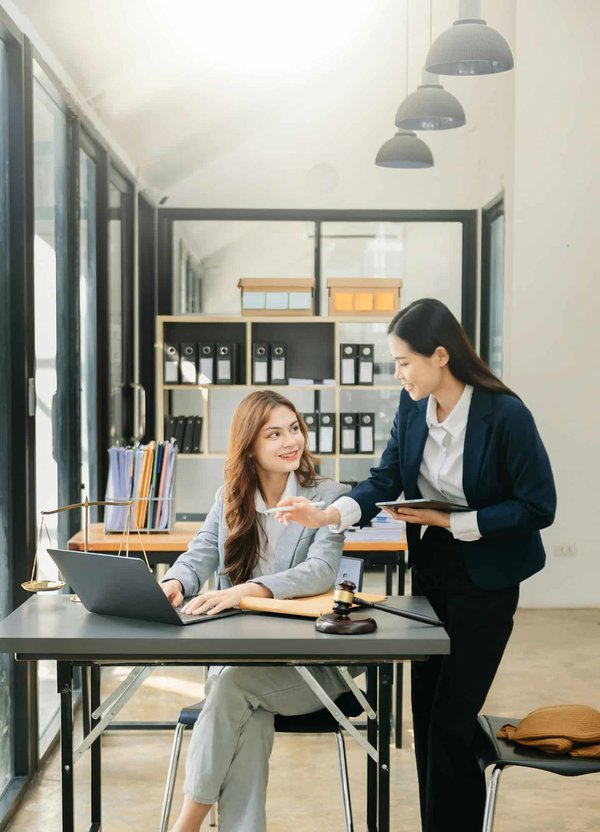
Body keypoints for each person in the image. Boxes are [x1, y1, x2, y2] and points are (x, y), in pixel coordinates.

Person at [277, 298, 557, 832]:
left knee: (452, 719)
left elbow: (538, 506)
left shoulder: (506, 415)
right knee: (427, 716)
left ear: (441, 357)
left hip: (488, 579)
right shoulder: (411, 410)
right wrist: (326, 514)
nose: (398, 372)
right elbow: (385, 479)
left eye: (404, 361)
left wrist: (455, 521)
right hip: (431, 571)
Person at [160, 389, 350, 832]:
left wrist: (246, 591)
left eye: (295, 429)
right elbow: (200, 552)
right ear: (249, 446)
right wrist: (174, 582)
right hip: (244, 664)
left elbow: (321, 571)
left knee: (231, 687)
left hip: (308, 669)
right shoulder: (230, 495)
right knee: (247, 710)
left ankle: (183, 827)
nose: (292, 441)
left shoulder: (328, 497)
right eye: (275, 433)